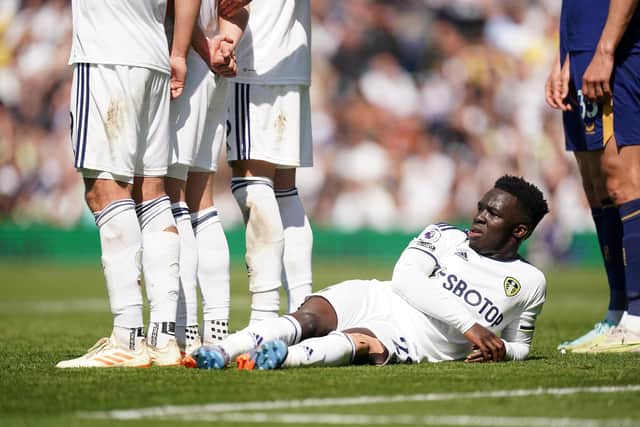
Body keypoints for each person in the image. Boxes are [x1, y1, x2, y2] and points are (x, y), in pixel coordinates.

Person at [189, 175, 549, 370]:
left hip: (414, 339)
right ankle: (222, 350)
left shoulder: (530, 283)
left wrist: (503, 351)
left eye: (493, 214)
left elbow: (520, 346)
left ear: (519, 231)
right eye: (481, 207)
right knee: (309, 318)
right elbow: (407, 279)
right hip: (381, 295)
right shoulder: (444, 235)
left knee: (359, 341)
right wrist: (470, 326)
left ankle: (281, 358)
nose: (480, 216)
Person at [56, 0, 201, 368]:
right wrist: (179, 52)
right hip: (153, 55)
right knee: (152, 194)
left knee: (105, 191)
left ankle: (127, 338)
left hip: (107, 53)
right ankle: (163, 339)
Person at [545, 0, 640, 352]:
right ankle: (618, 314)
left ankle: (638, 318)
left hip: (619, 50)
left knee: (624, 179)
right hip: (581, 50)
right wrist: (566, 60)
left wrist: (605, 50)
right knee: (597, 185)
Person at [165, 0, 248, 357]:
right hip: (214, 68)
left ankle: (184, 329)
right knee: (201, 199)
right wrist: (226, 44)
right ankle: (216, 326)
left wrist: (201, 48)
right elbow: (239, 7)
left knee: (171, 198)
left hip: (188, 62)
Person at [224, 0, 314, 323]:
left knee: (252, 184)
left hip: (255, 59)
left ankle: (263, 318)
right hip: (291, 61)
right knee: (284, 189)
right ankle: (303, 310)